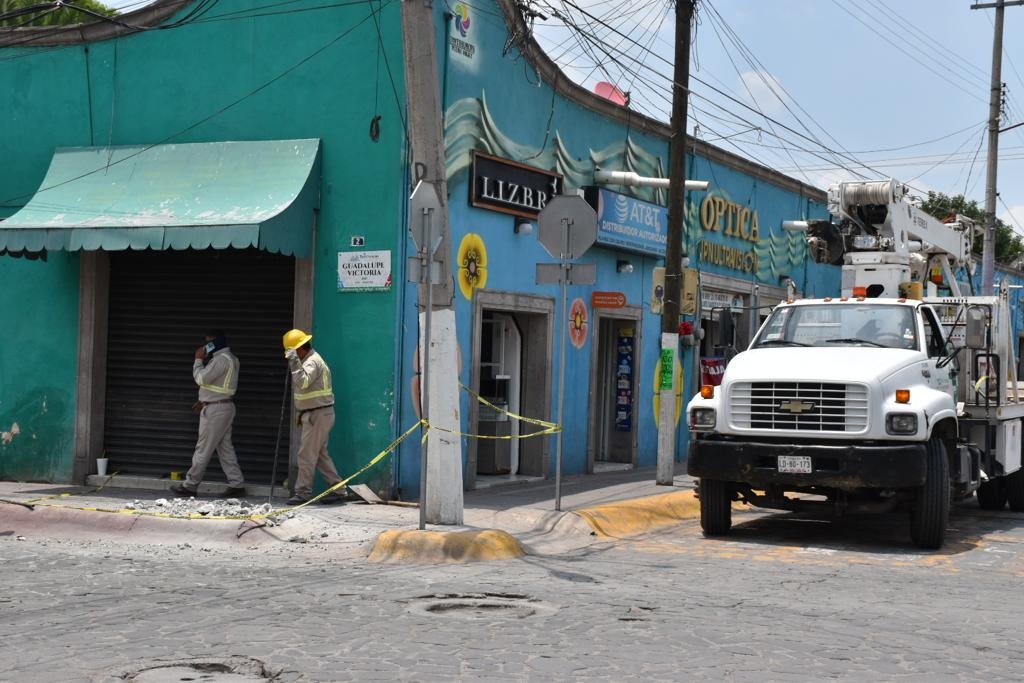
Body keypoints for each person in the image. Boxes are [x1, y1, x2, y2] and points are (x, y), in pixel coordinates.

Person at [171, 330, 247, 498]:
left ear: (215, 342)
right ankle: (237, 484)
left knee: (203, 447)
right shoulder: (231, 358)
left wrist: (198, 359)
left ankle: (190, 485)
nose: (205, 346)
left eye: (208, 342)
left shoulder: (220, 360)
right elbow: (219, 386)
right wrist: (204, 399)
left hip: (216, 411)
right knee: (225, 448)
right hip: (222, 406)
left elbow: (201, 379)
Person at [283, 329, 345, 505]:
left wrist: (294, 361)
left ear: (299, 349)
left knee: (306, 455)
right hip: (316, 414)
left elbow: (302, 382)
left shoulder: (311, 362)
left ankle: (303, 493)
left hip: (318, 414)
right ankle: (338, 488)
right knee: (318, 455)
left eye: (292, 353)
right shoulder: (309, 360)